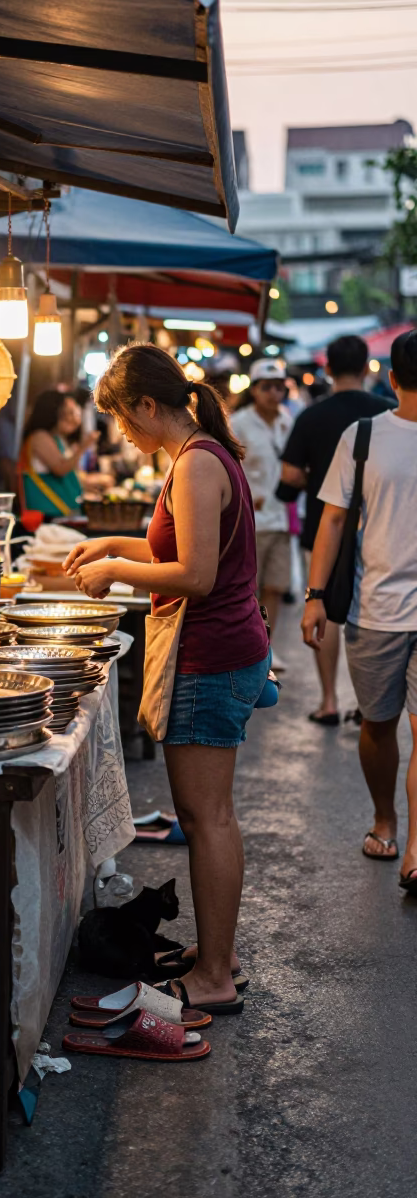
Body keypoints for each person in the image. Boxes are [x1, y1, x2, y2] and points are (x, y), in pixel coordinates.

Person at [64, 344, 269, 1013]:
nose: (122, 431)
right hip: (223, 652)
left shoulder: (196, 464)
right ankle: (220, 955)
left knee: (207, 818)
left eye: (124, 417)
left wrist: (117, 574)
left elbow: (196, 575)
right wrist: (115, 546)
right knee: (207, 814)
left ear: (148, 405)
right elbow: (177, 549)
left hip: (211, 657)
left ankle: (214, 975)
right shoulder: (201, 454)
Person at [302, 330, 417, 884]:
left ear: (390, 378)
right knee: (378, 725)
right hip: (376, 612)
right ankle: (385, 815)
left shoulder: (361, 435)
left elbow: (330, 522)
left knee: (393, 728)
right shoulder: (363, 435)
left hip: (379, 607)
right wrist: (317, 595)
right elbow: (334, 517)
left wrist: (314, 597)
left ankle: (408, 840)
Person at [281, 335, 393, 725]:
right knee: (369, 613)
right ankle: (371, 702)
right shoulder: (389, 411)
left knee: (323, 607)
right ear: (366, 369)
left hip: (323, 526)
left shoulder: (310, 416)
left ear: (327, 369)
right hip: (378, 531)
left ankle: (329, 699)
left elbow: (290, 474)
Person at [230, 359, 293, 669]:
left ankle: (268, 647)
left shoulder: (286, 420)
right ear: (254, 390)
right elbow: (230, 467)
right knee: (250, 588)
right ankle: (250, 648)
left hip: (281, 516)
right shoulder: (239, 422)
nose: (273, 393)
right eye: (266, 387)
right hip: (250, 521)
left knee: (276, 586)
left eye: (279, 386)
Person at [20, 390, 101, 519]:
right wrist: (84, 447)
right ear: (53, 413)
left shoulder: (57, 438)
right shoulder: (39, 437)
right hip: (46, 513)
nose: (73, 419)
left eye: (74, 413)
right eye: (68, 413)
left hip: (59, 511)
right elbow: (61, 469)